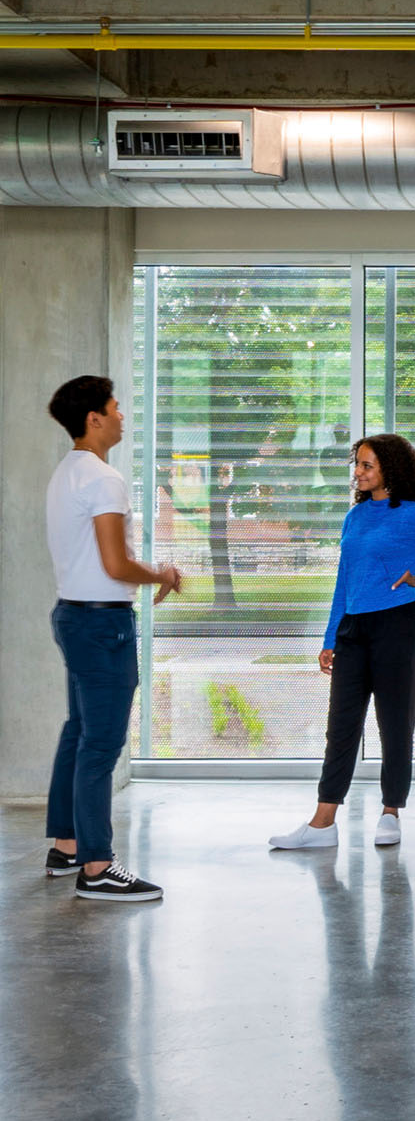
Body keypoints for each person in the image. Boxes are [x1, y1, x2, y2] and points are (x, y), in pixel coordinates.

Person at [269, 434, 415, 853]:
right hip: (354, 628)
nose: (358, 473)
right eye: (358, 465)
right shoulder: (356, 516)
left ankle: (390, 812)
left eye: (367, 465)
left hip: (399, 625)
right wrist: (331, 637)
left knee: (394, 722)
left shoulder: (412, 515)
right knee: (341, 726)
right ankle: (323, 822)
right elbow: (344, 581)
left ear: (390, 470)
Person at [44, 374, 183, 903]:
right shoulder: (103, 479)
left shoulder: (65, 474)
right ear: (94, 418)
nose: (123, 416)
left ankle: (67, 845)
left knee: (78, 731)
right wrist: (162, 575)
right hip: (103, 625)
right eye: (116, 408)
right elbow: (115, 562)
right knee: (100, 743)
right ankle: (97, 867)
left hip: (73, 617)